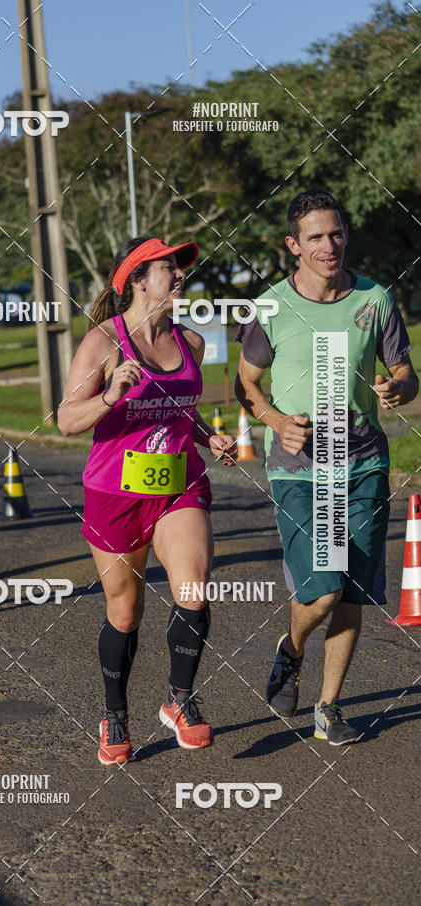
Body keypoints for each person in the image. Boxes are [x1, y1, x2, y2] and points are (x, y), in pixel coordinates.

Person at [236, 189, 418, 745]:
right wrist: (274, 418)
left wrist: (398, 388)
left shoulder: (376, 299)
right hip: (298, 468)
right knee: (321, 592)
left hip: (362, 463)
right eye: (315, 236)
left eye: (336, 233)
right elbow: (245, 384)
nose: (329, 245)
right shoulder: (269, 307)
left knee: (354, 593)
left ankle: (328, 707)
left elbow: (407, 374)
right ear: (293, 245)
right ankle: (290, 650)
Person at [58, 236, 237, 765]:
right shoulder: (104, 343)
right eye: (168, 270)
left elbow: (179, 408)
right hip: (116, 493)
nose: (180, 277)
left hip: (179, 484)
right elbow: (67, 420)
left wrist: (210, 437)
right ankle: (115, 713)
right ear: (137, 280)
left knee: (193, 588)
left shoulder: (191, 344)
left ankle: (179, 698)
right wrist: (110, 394)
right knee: (125, 611)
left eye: (181, 270)